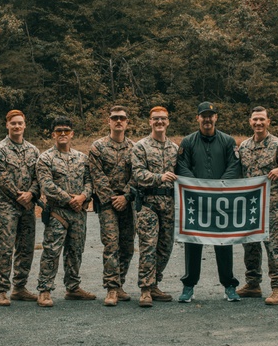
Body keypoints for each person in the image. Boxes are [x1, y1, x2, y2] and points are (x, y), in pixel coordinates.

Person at [175, 102, 243, 303]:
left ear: (216, 118)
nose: (207, 119)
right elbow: (181, 166)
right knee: (193, 242)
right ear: (197, 118)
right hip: (195, 201)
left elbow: (235, 165)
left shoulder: (228, 141)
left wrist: (219, 186)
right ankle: (189, 285)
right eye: (203, 116)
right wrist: (197, 186)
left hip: (220, 201)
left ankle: (229, 285)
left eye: (210, 115)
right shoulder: (187, 142)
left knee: (224, 242)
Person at [35, 116, 95, 307]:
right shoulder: (45, 158)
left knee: (75, 251)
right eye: (59, 131)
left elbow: (89, 182)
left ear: (72, 134)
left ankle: (73, 287)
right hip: (58, 213)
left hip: (79, 213)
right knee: (51, 251)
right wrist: (71, 200)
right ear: (53, 134)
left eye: (66, 131)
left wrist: (83, 197)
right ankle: (44, 290)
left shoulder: (82, 158)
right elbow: (47, 185)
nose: (63, 134)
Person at [237, 107, 278, 304]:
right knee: (250, 246)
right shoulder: (243, 146)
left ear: (268, 121)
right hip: (250, 204)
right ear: (250, 122)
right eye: (255, 120)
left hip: (272, 203)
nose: (258, 123)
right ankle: (253, 283)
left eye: (262, 119)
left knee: (275, 247)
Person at [0, 109, 40, 306]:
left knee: (26, 248)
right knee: (5, 249)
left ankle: (19, 287)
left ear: (25, 125)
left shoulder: (33, 150)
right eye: (13, 123)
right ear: (7, 125)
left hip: (27, 207)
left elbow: (39, 177)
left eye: (20, 123)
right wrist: (20, 196)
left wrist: (31, 194)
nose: (17, 126)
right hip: (6, 206)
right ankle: (1, 291)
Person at [131, 106, 178, 307]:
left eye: (163, 119)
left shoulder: (175, 148)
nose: (159, 122)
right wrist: (159, 177)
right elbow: (138, 174)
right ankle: (145, 289)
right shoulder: (140, 147)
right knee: (148, 246)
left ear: (168, 122)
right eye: (155, 119)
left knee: (165, 246)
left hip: (169, 203)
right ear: (150, 122)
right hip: (148, 203)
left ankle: (155, 283)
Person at [89, 106, 136, 306]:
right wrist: (111, 198)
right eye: (115, 118)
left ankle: (119, 285)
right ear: (109, 121)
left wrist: (125, 196)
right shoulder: (97, 147)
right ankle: (111, 289)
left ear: (127, 122)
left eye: (122, 118)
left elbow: (137, 175)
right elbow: (97, 176)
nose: (118, 121)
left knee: (127, 246)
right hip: (107, 203)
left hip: (127, 202)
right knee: (111, 244)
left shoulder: (135, 148)